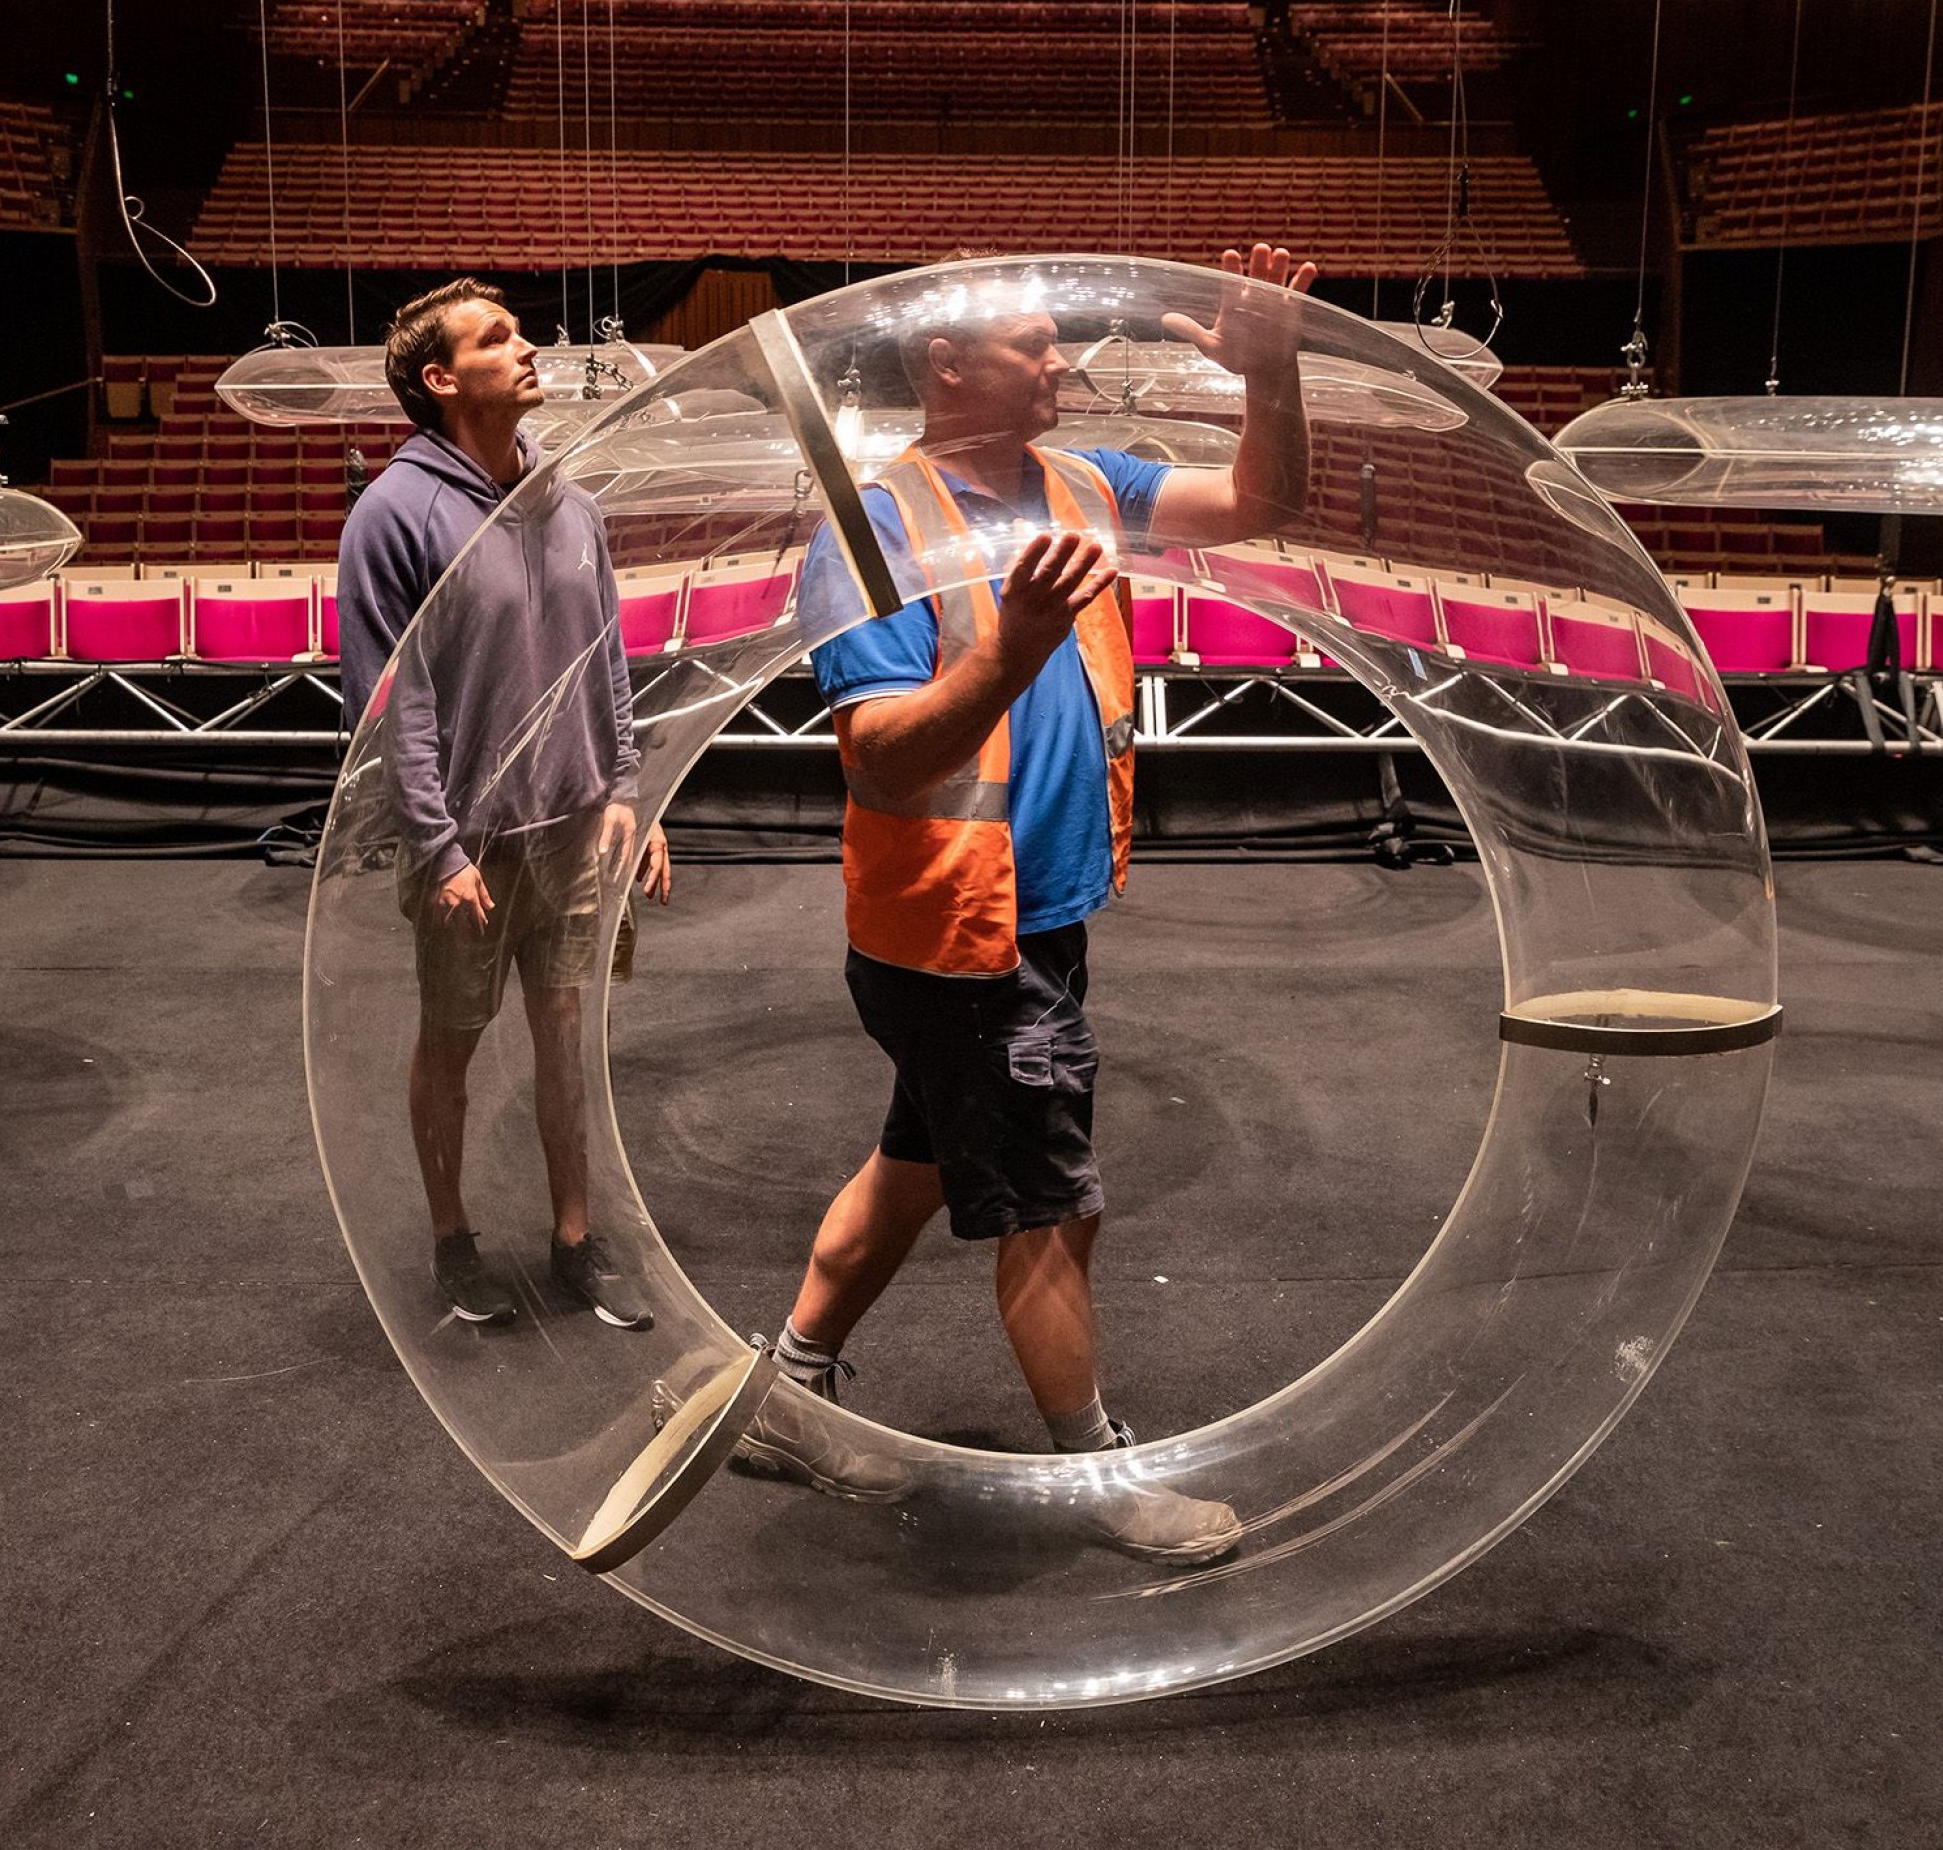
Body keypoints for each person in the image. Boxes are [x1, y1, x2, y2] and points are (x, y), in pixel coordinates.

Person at [721, 244, 1314, 1562]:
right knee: (1055, 1200)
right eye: (1034, 343)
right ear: (947, 362)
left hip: (1031, 917)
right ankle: (1093, 1473)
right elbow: (878, 753)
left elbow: (1265, 499)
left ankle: (789, 1390)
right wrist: (1010, 651)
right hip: (962, 938)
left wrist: (1274, 376)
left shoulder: (1085, 485)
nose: (1063, 364)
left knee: (919, 1161)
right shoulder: (873, 528)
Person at [338, 277, 670, 1332]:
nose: (529, 346)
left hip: (574, 823)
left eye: (520, 330)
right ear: (439, 379)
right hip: (468, 842)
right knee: (452, 1034)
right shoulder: (392, 512)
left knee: (563, 1027)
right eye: (498, 337)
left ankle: (575, 1236)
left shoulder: (569, 501)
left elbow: (604, 657)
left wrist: (631, 791)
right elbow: (393, 704)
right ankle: (452, 1237)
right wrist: (436, 847)